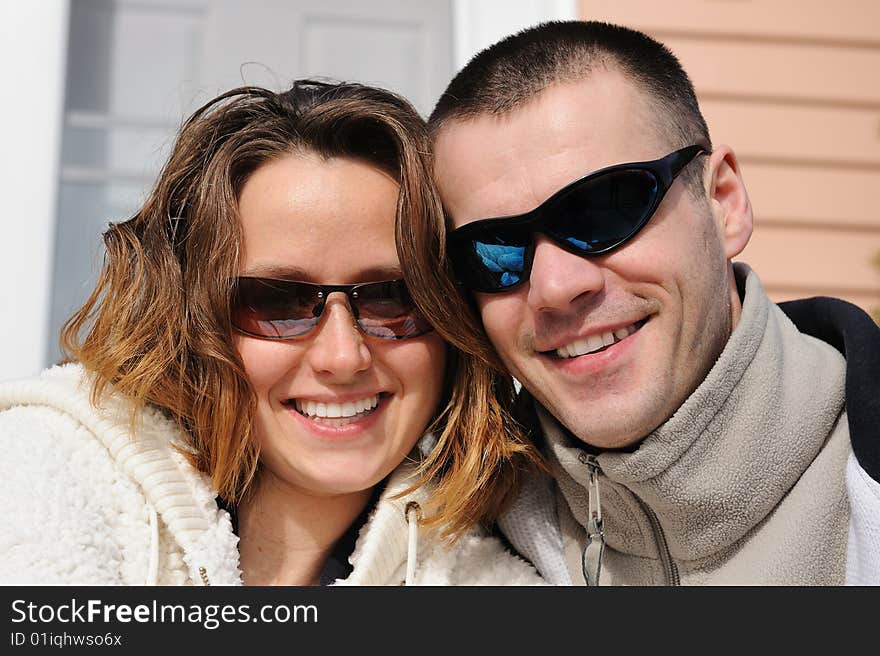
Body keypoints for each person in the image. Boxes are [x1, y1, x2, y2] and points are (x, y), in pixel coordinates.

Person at [0, 79, 544, 586]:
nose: (344, 356)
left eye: (393, 298)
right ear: (190, 316)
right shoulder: (40, 477)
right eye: (277, 302)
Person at [403, 20, 880, 585]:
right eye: (494, 250)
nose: (556, 286)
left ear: (723, 202)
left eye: (604, 210)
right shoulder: (444, 540)